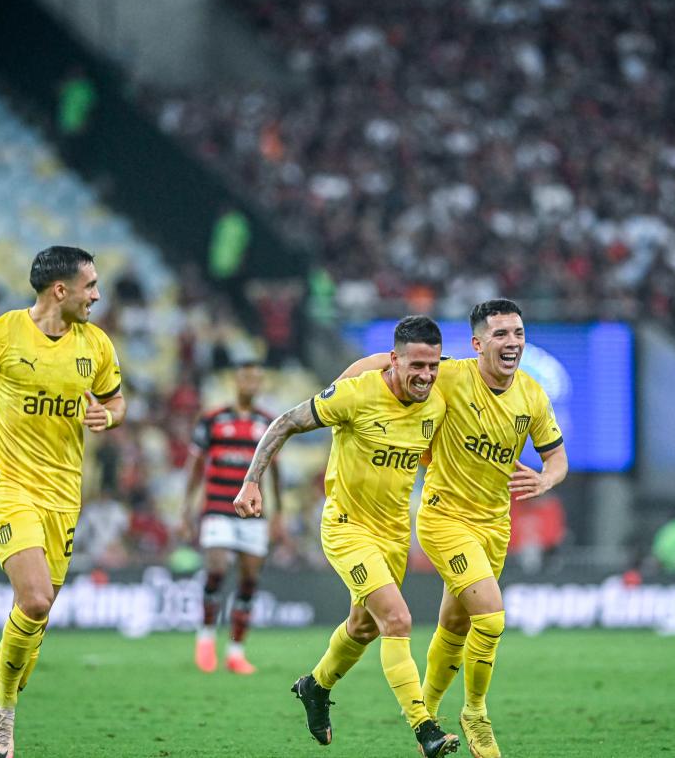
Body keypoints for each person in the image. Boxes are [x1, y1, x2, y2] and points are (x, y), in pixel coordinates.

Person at [338, 298, 567, 758]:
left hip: (493, 524)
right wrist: (341, 387)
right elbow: (391, 361)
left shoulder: (532, 395)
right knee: (492, 617)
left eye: (518, 333)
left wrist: (546, 477)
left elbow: (556, 457)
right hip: (444, 518)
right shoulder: (452, 374)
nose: (513, 342)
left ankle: (429, 716)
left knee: (456, 624)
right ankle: (476, 713)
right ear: (478, 343)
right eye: (501, 334)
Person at [233, 315, 460, 757]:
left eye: (433, 366)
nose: (426, 376)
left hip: (394, 533)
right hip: (346, 527)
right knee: (397, 620)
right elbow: (284, 422)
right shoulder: (357, 393)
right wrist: (251, 481)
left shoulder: (436, 403)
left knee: (363, 626)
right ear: (394, 360)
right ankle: (425, 729)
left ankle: (314, 687)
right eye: (416, 365)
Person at [0, 246, 125, 758]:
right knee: (35, 599)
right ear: (60, 290)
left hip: (64, 495)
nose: (97, 295)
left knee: (37, 619)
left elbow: (116, 400)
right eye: (90, 286)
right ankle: (0, 717)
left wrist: (110, 417)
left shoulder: (96, 345)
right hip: (8, 483)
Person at [181, 360, 282, 674]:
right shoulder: (212, 419)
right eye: (246, 377)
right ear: (235, 381)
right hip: (217, 506)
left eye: (256, 378)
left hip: (253, 512)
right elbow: (196, 466)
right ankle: (207, 638)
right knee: (217, 568)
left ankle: (236, 651)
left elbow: (276, 471)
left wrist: (280, 513)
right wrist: (186, 508)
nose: (251, 383)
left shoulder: (268, 422)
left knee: (250, 579)